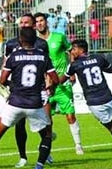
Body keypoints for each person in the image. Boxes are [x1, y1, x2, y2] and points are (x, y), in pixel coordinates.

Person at [0, 27, 59, 169]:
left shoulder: (14, 55)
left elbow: (2, 80)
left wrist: (12, 85)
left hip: (15, 102)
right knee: (46, 135)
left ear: (20, 40)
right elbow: (55, 79)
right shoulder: (43, 56)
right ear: (36, 40)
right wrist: (50, 87)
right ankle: (39, 166)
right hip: (35, 104)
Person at [2, 13, 49, 168]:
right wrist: (7, 85)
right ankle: (22, 156)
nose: (23, 25)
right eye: (21, 22)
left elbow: (46, 67)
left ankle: (46, 152)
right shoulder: (10, 44)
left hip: (38, 89)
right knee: (19, 124)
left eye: (26, 22)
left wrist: (48, 86)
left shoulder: (41, 44)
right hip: (17, 90)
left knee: (46, 122)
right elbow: (5, 64)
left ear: (33, 25)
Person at [35, 13, 84, 155]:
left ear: (46, 22)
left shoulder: (59, 37)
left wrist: (72, 71)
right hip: (45, 86)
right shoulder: (35, 42)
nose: (39, 24)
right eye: (37, 22)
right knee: (46, 121)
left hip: (62, 84)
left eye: (41, 20)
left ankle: (78, 145)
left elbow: (71, 52)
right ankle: (47, 150)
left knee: (70, 116)